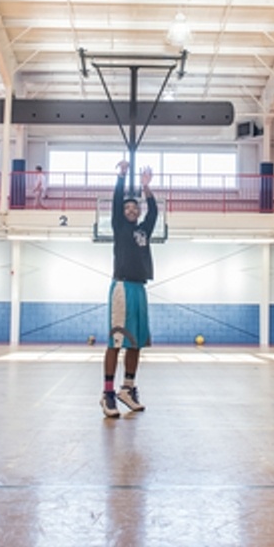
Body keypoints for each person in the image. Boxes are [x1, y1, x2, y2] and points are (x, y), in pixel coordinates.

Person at [101, 160, 157, 418]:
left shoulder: (143, 231)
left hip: (140, 288)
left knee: (136, 343)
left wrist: (146, 188)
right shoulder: (120, 227)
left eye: (136, 207)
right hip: (122, 287)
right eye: (129, 207)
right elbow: (115, 203)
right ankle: (108, 394)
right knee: (117, 341)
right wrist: (122, 177)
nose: (132, 210)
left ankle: (128, 388)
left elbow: (153, 212)